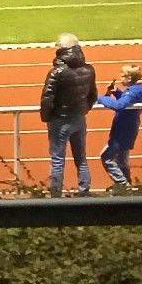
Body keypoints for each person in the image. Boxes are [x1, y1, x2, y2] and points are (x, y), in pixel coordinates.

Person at [40, 33, 99, 196]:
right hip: (79, 119)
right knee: (81, 158)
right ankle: (84, 191)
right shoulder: (89, 69)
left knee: (57, 159)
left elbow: (47, 98)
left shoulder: (57, 72)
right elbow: (93, 95)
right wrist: (83, 110)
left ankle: (56, 194)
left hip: (60, 120)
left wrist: (47, 117)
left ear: (62, 48)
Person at [96, 65, 142, 189]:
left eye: (122, 75)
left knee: (106, 157)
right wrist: (117, 92)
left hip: (123, 129)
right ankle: (126, 183)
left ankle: (122, 183)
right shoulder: (139, 89)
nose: (120, 78)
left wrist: (101, 99)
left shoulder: (133, 91)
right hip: (129, 127)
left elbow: (120, 105)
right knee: (122, 159)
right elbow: (128, 103)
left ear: (129, 78)